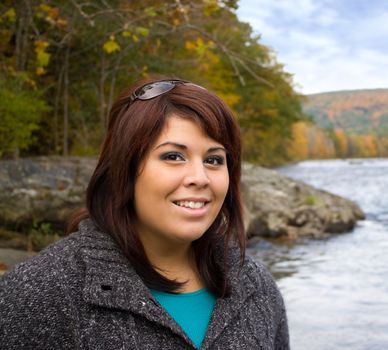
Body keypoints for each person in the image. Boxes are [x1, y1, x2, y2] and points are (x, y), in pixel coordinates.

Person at [0, 77, 289, 349]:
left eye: (214, 159)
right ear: (124, 169)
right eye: (173, 156)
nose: (200, 178)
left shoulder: (256, 285)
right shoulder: (40, 292)